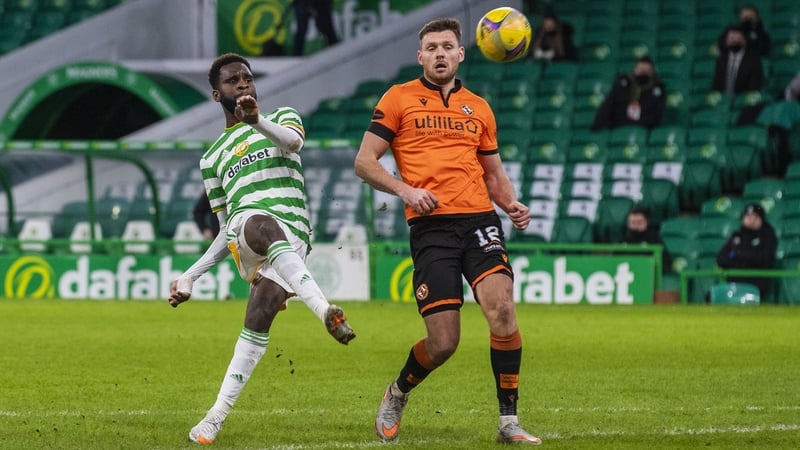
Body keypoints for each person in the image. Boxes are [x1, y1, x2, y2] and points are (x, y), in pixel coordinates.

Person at [354, 17, 540, 445]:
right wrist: (405, 190)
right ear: (420, 56)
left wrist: (509, 203)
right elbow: (364, 162)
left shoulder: (479, 107)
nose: (440, 53)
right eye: (432, 48)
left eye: (447, 47)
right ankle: (397, 391)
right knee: (443, 343)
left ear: (461, 54)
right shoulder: (398, 98)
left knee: (503, 310)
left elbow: (492, 173)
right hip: (431, 227)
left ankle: (508, 422)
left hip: (479, 221)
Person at [168, 52, 356, 445]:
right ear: (216, 94)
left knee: (258, 318)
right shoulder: (211, 158)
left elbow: (294, 142)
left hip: (294, 238)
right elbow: (225, 229)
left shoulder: (283, 117)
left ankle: (214, 418)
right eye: (232, 80)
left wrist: (257, 121)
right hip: (247, 231)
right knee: (259, 221)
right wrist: (192, 274)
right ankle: (325, 311)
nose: (242, 84)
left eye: (247, 78)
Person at [716, 203, 778, 299]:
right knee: (712, 296)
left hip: (756, 284)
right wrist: (736, 256)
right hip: (734, 284)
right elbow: (722, 259)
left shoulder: (767, 236)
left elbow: (764, 259)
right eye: (748, 216)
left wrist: (737, 255)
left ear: (761, 219)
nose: (751, 220)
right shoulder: (737, 236)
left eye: (755, 216)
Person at [591, 56, 666, 131]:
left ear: (652, 72)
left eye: (646, 72)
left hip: (643, 129)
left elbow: (656, 116)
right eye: (640, 70)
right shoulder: (622, 85)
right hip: (618, 127)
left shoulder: (657, 89)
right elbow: (607, 107)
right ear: (635, 69)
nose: (642, 74)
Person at [711, 25, 764, 97]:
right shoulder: (721, 60)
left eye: (738, 39)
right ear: (726, 41)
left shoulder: (753, 60)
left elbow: (755, 86)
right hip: (723, 99)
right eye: (731, 39)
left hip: (744, 99)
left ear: (744, 41)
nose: (734, 41)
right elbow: (716, 85)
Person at [622, 205, 673, 273]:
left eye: (639, 223)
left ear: (647, 222)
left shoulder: (654, 239)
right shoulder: (624, 239)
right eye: (633, 223)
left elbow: (665, 262)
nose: (636, 226)